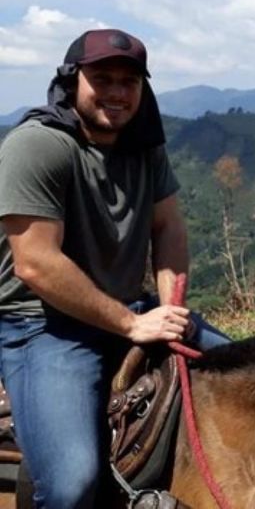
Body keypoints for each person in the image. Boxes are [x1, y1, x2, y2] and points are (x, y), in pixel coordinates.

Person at [0, 29, 230, 508]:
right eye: (101, 78)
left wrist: (169, 309)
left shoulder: (143, 145)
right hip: (43, 325)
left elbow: (167, 227)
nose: (116, 93)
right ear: (70, 82)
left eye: (129, 81)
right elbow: (35, 263)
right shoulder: (39, 145)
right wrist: (132, 323)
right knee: (70, 485)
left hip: (131, 308)